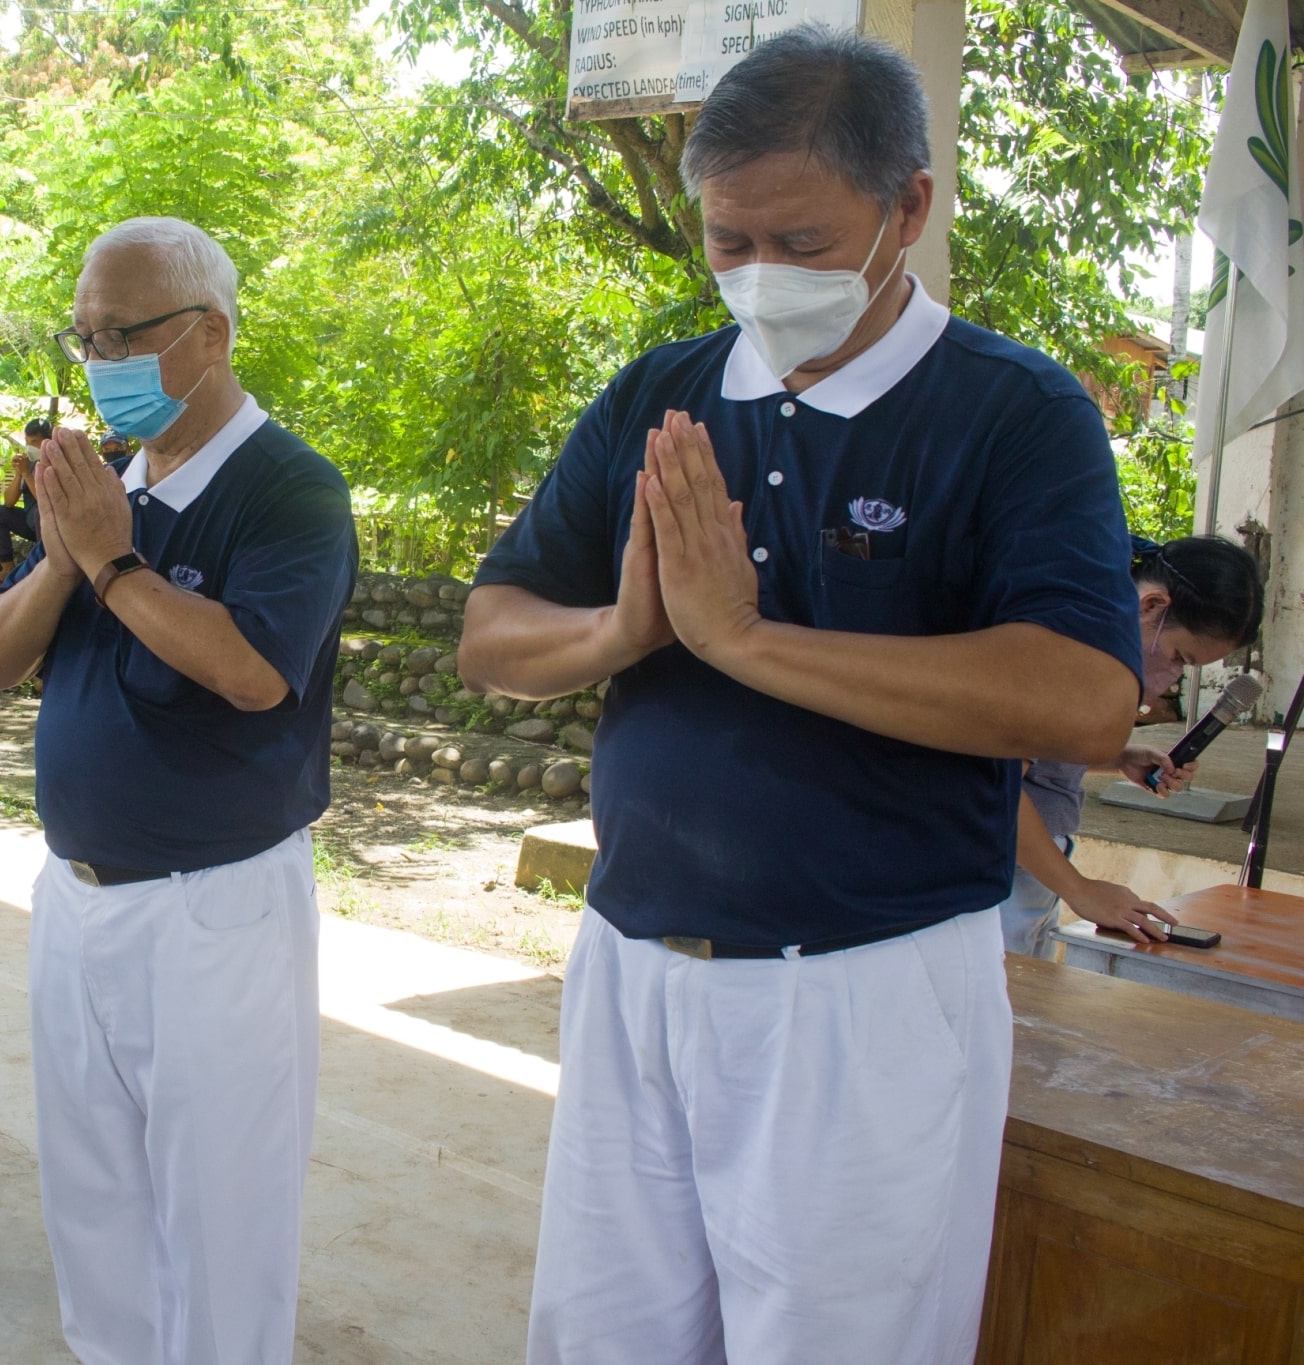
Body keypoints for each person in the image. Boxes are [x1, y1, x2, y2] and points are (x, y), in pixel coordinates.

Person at [458, 29, 1145, 1365]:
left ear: (909, 210)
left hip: (863, 996)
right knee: (605, 1333)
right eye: (729, 243)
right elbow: (494, 633)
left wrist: (745, 641)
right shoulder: (663, 394)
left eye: (805, 242)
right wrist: (626, 627)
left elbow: (1084, 701)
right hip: (635, 965)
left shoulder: (1013, 413)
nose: (762, 277)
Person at [0, 216, 357, 1364]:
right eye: (83, 337)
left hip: (212, 910)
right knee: (91, 1194)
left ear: (209, 335)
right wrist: (67, 552)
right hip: (75, 896)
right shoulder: (102, 488)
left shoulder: (288, 491)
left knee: (220, 1207)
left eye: (121, 334)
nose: (98, 361)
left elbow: (248, 672)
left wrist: (115, 561)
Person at [1000, 534, 1265, 957]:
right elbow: (998, 785)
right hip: (1002, 872)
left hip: (1034, 868)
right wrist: (1079, 889)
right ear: (1152, 606)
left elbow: (1040, 755)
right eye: (1180, 656)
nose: (1175, 675)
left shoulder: (1091, 654)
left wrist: (1118, 759)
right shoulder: (1067, 650)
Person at [0, 417, 49, 583]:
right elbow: (9, 502)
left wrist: (27, 474)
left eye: (34, 442)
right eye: (27, 442)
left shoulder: (57, 464)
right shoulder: (30, 464)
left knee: (40, 513)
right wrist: (20, 472)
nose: (30, 447)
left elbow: (46, 501)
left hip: (50, 525)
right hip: (30, 524)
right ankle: (7, 568)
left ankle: (44, 566)